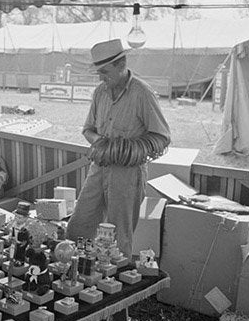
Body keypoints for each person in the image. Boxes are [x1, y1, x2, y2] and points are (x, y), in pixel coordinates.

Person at [65, 38, 171, 256]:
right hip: (99, 169)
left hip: (127, 176)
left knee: (118, 237)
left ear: (121, 65)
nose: (102, 78)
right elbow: (87, 129)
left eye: (105, 72)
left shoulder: (142, 93)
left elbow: (162, 137)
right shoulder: (100, 93)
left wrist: (127, 149)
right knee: (79, 226)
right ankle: (76, 269)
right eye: (99, 74)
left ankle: (112, 283)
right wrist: (102, 144)